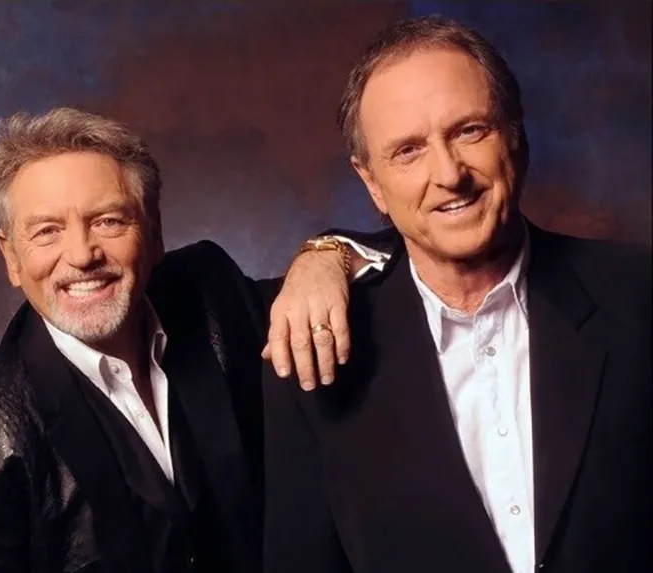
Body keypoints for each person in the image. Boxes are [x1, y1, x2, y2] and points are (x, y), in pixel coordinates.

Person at [262, 15, 652, 573]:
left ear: (515, 136)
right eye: (408, 150)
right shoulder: (309, 348)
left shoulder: (637, 296)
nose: (449, 173)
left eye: (470, 130)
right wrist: (324, 251)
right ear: (371, 182)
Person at [0, 107, 372, 573]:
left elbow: (378, 271)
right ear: (11, 257)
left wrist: (326, 256)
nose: (82, 255)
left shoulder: (212, 291)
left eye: (108, 221)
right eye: (47, 231)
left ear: (154, 233)